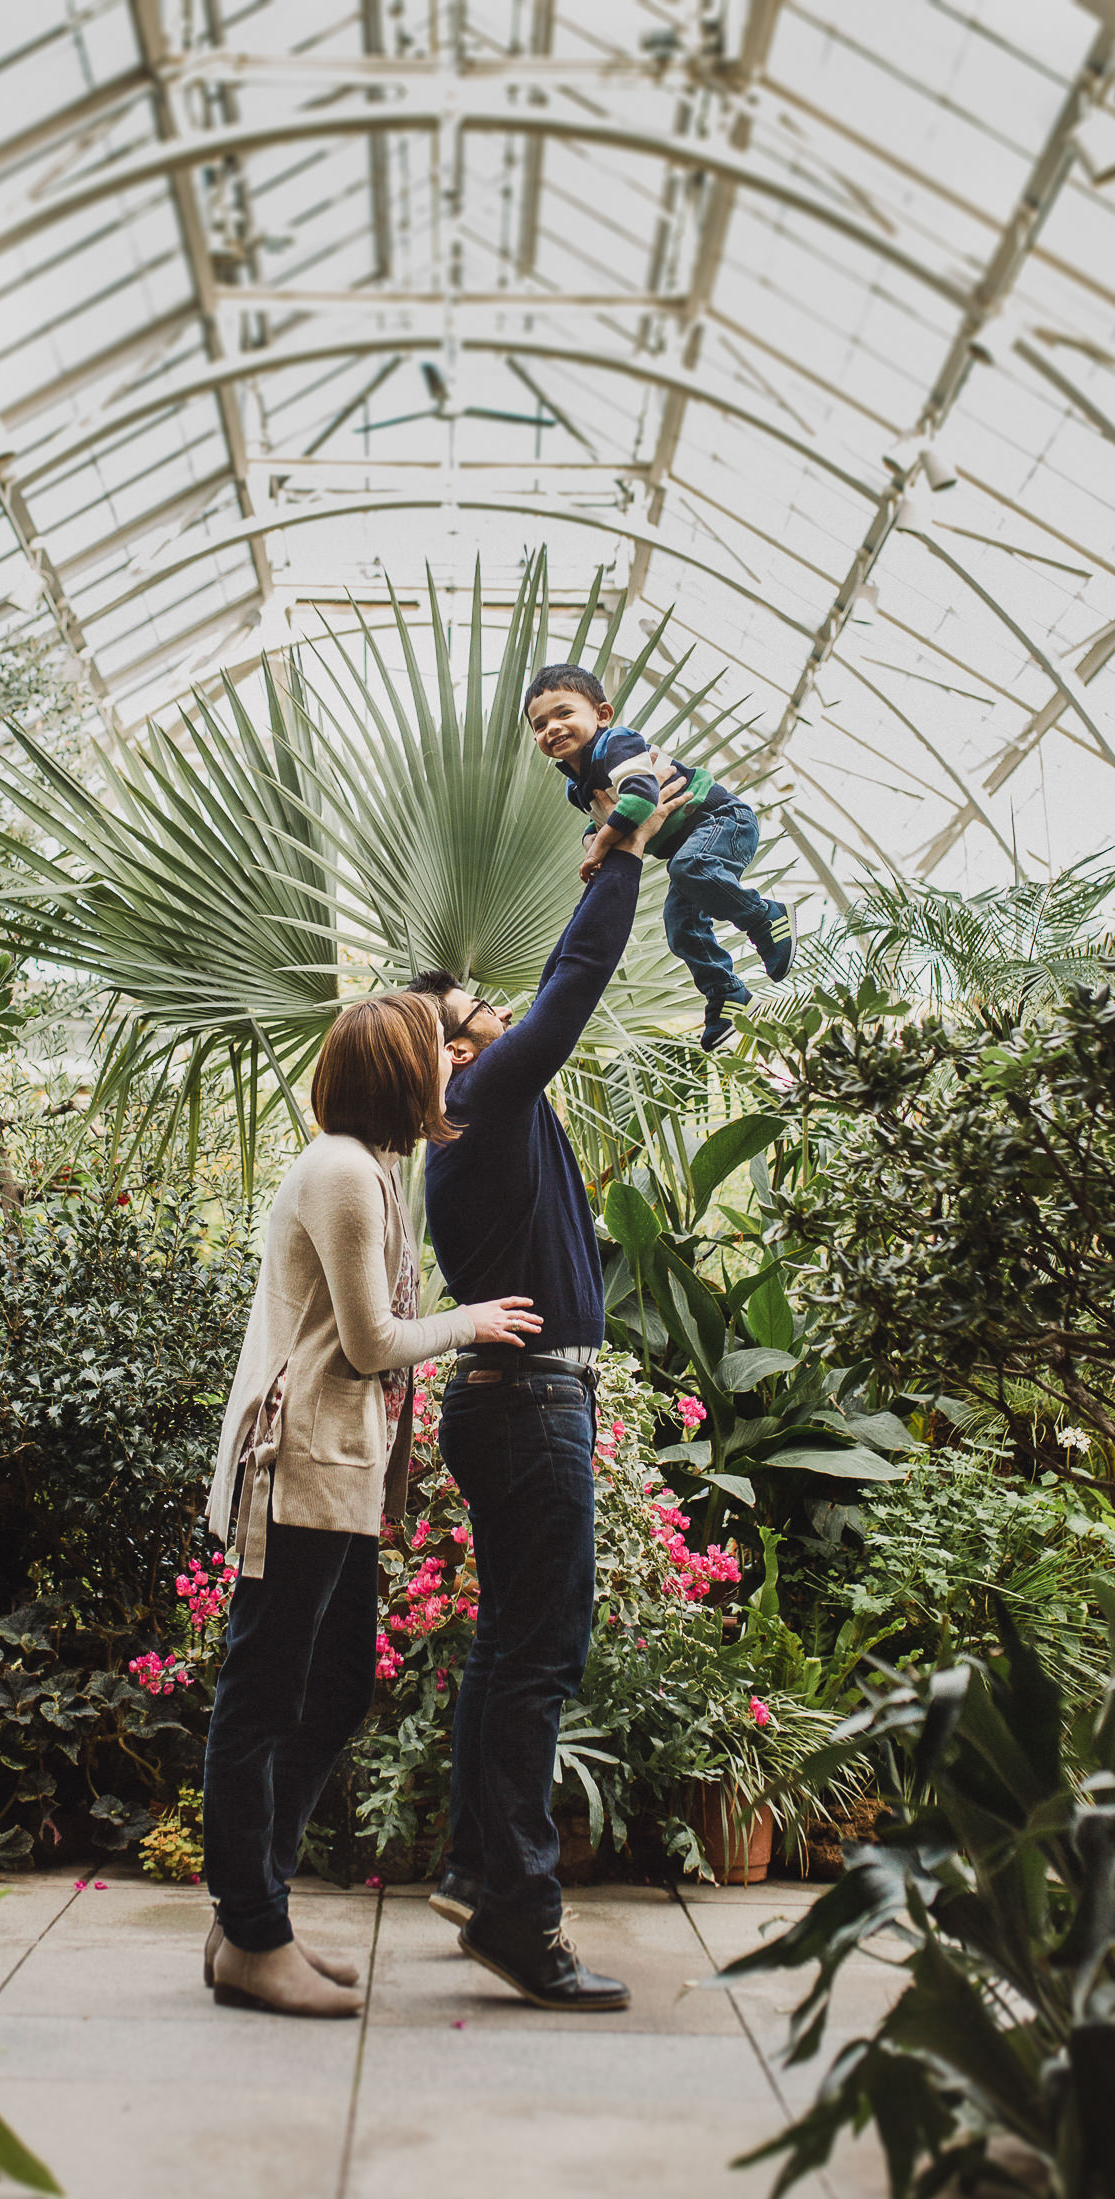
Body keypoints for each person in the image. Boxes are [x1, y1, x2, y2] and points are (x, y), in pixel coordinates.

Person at [201, 991, 543, 2019]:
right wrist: (471, 1322)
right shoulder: (345, 1171)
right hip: (299, 1460)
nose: (452, 1062)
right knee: (259, 1697)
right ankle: (253, 1933)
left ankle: (249, 1912)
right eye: (436, 1051)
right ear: (398, 1073)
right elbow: (369, 1343)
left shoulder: (372, 1167)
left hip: (335, 1465)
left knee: (340, 1681)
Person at [406, 771, 687, 2013]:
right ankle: (521, 1917)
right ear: (456, 1052)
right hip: (528, 1406)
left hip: (507, 1400)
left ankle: (478, 1877)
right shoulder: (483, 1100)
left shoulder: (480, 1125)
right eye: (475, 1009)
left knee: (507, 1650)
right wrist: (621, 855)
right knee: (538, 1656)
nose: (498, 1010)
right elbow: (572, 993)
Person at [524, 661, 795, 1052]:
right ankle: (728, 994)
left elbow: (640, 797)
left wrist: (601, 846)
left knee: (690, 868)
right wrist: (592, 841)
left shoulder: (615, 743)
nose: (552, 728)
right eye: (539, 724)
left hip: (720, 820)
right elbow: (602, 819)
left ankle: (765, 917)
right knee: (679, 924)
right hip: (689, 849)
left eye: (564, 713)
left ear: (601, 715)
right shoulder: (576, 787)